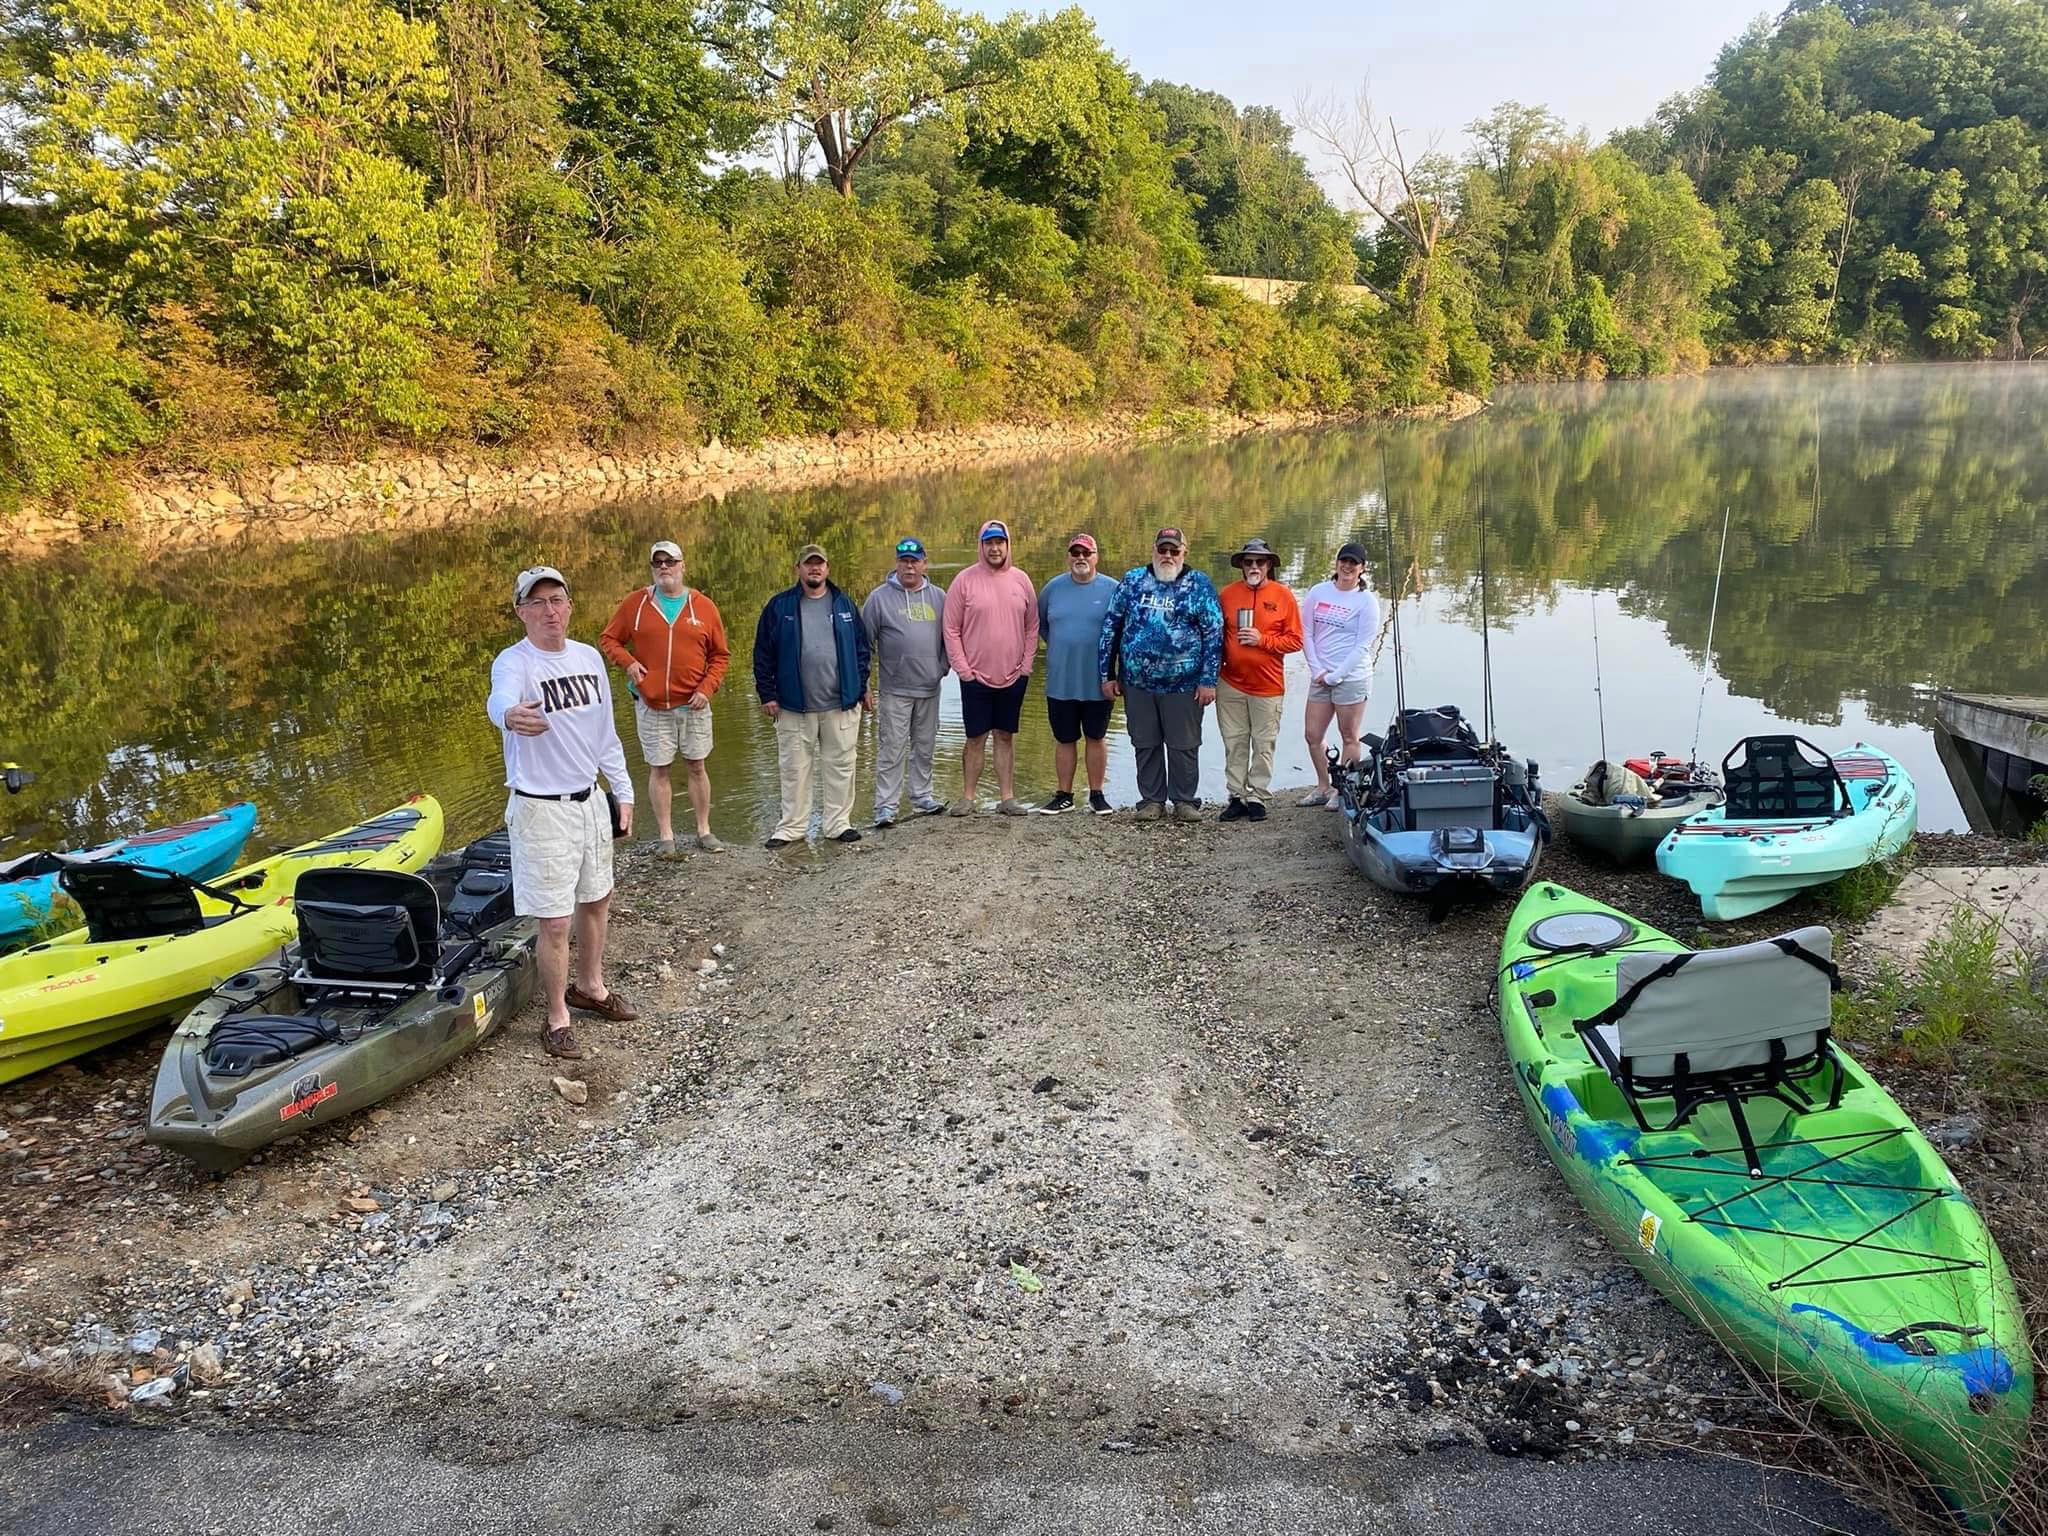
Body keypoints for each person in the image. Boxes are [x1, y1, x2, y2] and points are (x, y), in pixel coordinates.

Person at [486, 565, 638, 1061]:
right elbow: (500, 699)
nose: (549, 610)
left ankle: (589, 987)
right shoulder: (515, 662)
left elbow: (605, 733)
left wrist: (623, 789)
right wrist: (509, 716)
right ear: (521, 612)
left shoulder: (590, 658)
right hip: (539, 809)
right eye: (538, 603)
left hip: (589, 800)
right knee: (554, 921)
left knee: (597, 898)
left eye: (557, 600)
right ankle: (557, 1015)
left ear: (570, 606)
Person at [598, 541, 730, 856]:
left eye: (670, 562)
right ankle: (666, 836)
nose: (664, 568)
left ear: (683, 565)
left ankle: (704, 830)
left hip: (694, 704)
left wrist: (707, 688)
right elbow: (608, 639)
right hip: (652, 705)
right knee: (659, 769)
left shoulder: (704, 606)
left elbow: (720, 656)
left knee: (697, 766)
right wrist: (628, 663)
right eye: (658, 563)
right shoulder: (635, 604)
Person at [1099, 525, 1223, 823]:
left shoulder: (1199, 585)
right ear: (1153, 550)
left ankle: (1184, 801)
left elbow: (1215, 634)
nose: (1168, 555)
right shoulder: (1132, 581)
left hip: (1184, 684)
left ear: (1184, 553)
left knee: (1184, 744)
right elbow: (1110, 626)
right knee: (1145, 742)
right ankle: (1151, 800)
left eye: (1174, 550)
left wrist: (1208, 680)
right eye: (1162, 549)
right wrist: (1107, 673)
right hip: (1137, 683)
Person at [753, 544, 871, 848]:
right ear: (798, 569)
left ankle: (838, 824)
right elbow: (763, 654)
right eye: (808, 564)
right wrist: (767, 693)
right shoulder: (779, 607)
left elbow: (861, 650)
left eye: (819, 564)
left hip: (840, 704)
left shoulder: (844, 604)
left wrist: (860, 687)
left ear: (827, 568)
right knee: (794, 768)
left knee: (842, 765)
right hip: (793, 705)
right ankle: (792, 827)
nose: (814, 569)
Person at [942, 519, 1038, 816]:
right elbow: (950, 629)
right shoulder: (964, 581)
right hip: (975, 677)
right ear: (981, 546)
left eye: (1000, 542)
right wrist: (963, 670)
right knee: (975, 738)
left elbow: (1032, 626)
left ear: (1008, 545)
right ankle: (968, 797)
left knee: (1005, 736)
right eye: (989, 542)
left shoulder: (1021, 580)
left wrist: (1026, 666)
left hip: (1013, 675)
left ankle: (1007, 798)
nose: (994, 548)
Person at [861, 536, 949, 827]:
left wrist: (943, 666)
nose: (909, 566)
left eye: (915, 561)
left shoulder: (939, 596)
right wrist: (865, 685)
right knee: (892, 748)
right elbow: (864, 644)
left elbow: (951, 637)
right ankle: (886, 807)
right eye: (903, 560)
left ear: (924, 563)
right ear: (896, 563)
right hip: (895, 690)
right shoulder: (878, 598)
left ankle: (922, 796)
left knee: (925, 745)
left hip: (930, 688)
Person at [1215, 537, 1303, 823]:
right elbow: (1214, 636)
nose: (1254, 566)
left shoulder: (1283, 595)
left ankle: (1258, 796)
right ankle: (1236, 796)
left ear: (1268, 565)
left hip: (1268, 685)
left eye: (1259, 562)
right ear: (1241, 565)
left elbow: (1296, 640)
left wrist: (1262, 640)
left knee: (1264, 744)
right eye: (1248, 561)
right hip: (1230, 683)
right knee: (1234, 742)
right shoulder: (1226, 594)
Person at [1034, 533, 1117, 815]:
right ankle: (1064, 795)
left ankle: (1096, 794)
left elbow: (1122, 632)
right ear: (1068, 557)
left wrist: (1115, 674)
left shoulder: (1113, 589)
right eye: (1075, 552)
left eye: (1087, 553)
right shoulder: (1052, 589)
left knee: (1096, 736)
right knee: (1064, 738)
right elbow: (1042, 625)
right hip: (1061, 680)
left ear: (1096, 557)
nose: (1081, 557)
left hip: (1099, 681)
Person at [1300, 541, 1381, 808]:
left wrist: (1336, 675)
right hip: (1320, 675)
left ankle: (1344, 789)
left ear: (1362, 569)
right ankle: (1324, 785)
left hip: (1352, 676)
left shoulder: (1366, 601)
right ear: (1336, 563)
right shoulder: (1318, 592)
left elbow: (1362, 645)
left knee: (1349, 735)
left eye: (1353, 563)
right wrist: (1317, 669)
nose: (1347, 566)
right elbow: (1307, 633)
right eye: (1343, 561)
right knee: (1313, 734)